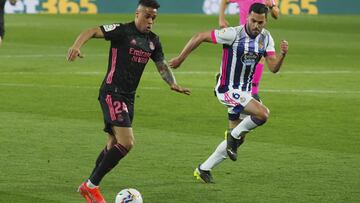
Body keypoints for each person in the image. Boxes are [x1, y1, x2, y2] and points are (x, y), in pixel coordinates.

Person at [67, 0, 191, 202]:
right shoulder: (122, 31)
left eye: (154, 18)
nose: (150, 21)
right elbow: (91, 31)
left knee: (113, 143)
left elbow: (161, 65)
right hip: (112, 92)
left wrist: (172, 83)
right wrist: (76, 45)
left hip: (129, 97)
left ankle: (88, 184)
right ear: (137, 13)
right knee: (127, 142)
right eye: (147, 16)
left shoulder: (153, 41)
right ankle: (91, 186)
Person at [169, 3, 288, 183]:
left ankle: (204, 169)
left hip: (245, 93)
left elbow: (272, 67)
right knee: (263, 114)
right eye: (253, 21)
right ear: (247, 17)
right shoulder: (233, 34)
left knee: (239, 140)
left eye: (260, 23)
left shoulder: (266, 38)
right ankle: (232, 136)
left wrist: (282, 55)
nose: (256, 26)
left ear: (265, 21)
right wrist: (180, 58)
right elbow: (200, 36)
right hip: (227, 90)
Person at [219, 0, 279, 102]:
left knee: (259, 59)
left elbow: (276, 15)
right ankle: (250, 91)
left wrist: (272, 6)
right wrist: (221, 19)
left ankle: (253, 91)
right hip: (243, 35)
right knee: (243, 61)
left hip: (258, 33)